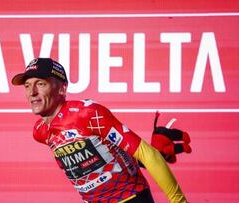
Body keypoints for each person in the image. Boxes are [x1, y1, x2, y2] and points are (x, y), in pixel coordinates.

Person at [11, 58, 188, 203]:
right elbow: (107, 153)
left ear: (62, 88)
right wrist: (152, 155)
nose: (32, 92)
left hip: (130, 198)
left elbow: (148, 154)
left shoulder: (87, 113)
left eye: (40, 84)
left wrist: (179, 201)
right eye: (27, 86)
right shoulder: (40, 132)